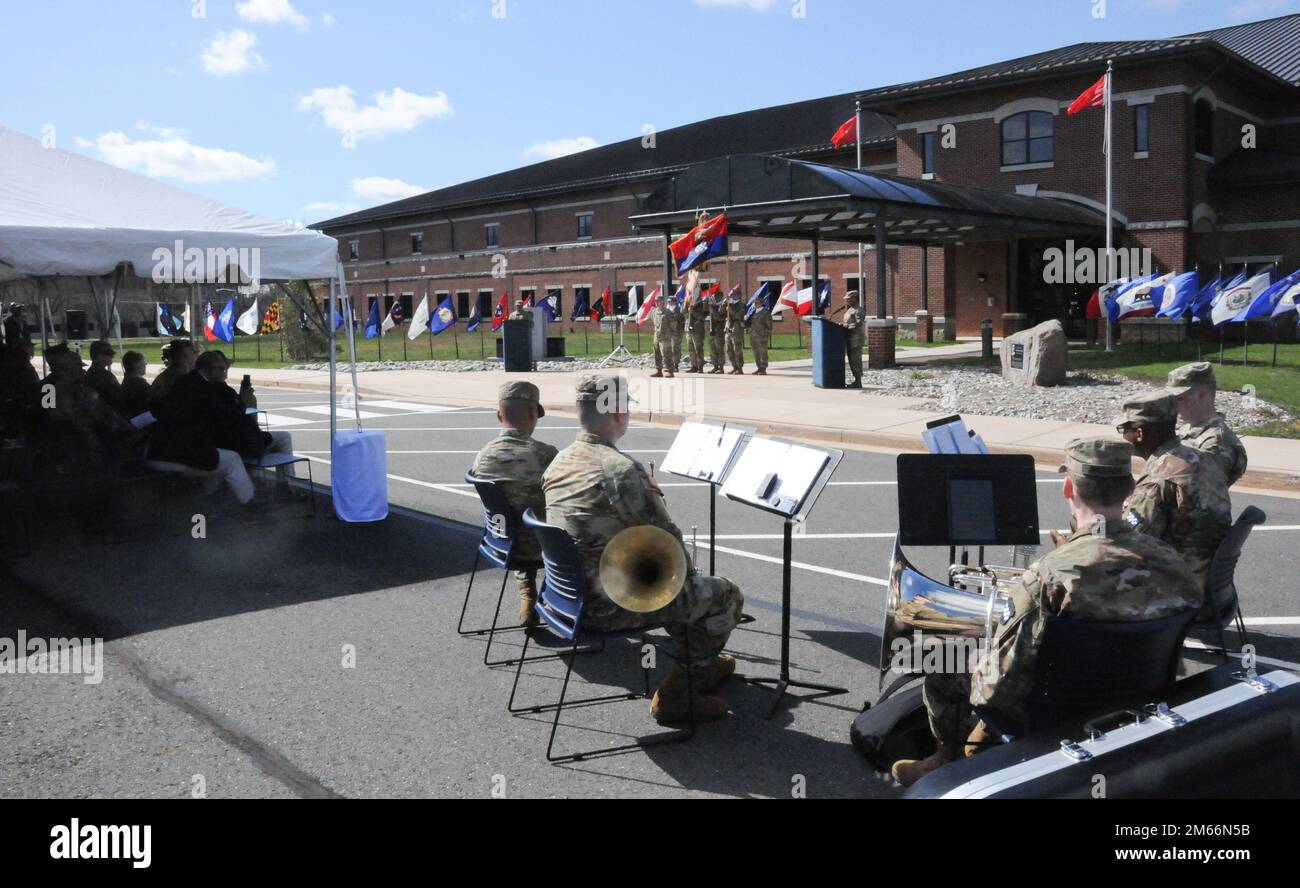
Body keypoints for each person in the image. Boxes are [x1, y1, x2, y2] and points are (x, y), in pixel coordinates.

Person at [891, 438, 1202, 787]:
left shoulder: (1049, 575)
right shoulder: (1177, 567)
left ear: (1068, 487)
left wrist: (983, 656)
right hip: (1139, 705)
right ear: (1130, 487)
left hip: (1056, 716)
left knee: (945, 661)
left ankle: (948, 766)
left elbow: (995, 693)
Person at [542, 374, 745, 724]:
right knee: (725, 595)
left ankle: (701, 663)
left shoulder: (558, 462)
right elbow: (671, 550)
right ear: (618, 412)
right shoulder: (621, 471)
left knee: (679, 591)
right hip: (610, 607)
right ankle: (678, 694)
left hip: (567, 600)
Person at [1117, 391, 1231, 592]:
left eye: (1123, 429)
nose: (1123, 436)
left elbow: (1128, 543)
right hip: (1210, 582)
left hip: (1177, 591)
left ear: (1140, 433)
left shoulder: (1158, 479)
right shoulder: (1202, 458)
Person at [470, 381, 558, 627]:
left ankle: (527, 594)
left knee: (523, 517)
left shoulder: (483, 456)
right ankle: (576, 603)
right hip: (541, 551)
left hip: (499, 544)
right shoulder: (546, 455)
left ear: (499, 415)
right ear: (532, 413)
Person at [146, 350, 261, 508]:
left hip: (160, 449)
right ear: (209, 369)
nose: (225, 373)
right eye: (221, 369)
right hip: (175, 454)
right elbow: (223, 416)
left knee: (217, 458)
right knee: (232, 459)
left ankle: (210, 504)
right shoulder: (202, 388)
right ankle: (252, 507)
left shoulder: (187, 381)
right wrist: (242, 402)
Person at [1166, 361, 1248, 486]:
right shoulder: (1190, 428)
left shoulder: (1216, 443)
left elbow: (1194, 494)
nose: (1174, 405)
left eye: (1179, 399)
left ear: (1201, 395)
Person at [149, 339, 196, 407]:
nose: (197, 355)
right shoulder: (180, 379)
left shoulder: (167, 375)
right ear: (186, 354)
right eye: (194, 352)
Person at [85, 340, 121, 411]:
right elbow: (120, 396)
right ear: (99, 356)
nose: (112, 356)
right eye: (109, 354)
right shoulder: (105, 375)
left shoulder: (90, 372)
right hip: (108, 414)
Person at [842, 290, 866, 388]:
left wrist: (846, 326)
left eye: (848, 299)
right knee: (851, 359)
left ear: (854, 298)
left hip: (856, 339)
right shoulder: (850, 309)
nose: (847, 300)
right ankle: (856, 380)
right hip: (849, 338)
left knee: (855, 359)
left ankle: (858, 381)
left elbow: (859, 323)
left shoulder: (858, 310)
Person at [746, 291, 772, 376]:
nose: (755, 304)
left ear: (761, 303)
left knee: (762, 352)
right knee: (756, 352)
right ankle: (759, 367)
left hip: (762, 336)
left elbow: (769, 325)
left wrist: (766, 335)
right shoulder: (753, 312)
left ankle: (763, 369)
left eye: (757, 303)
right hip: (753, 336)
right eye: (755, 303)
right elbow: (750, 323)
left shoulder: (765, 313)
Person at [119, 351, 151, 420]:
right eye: (143, 363)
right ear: (137, 366)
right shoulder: (141, 386)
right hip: (142, 423)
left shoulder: (127, 382)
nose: (146, 364)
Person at [651, 298, 676, 378]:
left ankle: (670, 371)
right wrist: (657, 331)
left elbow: (673, 324)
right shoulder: (655, 311)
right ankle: (659, 370)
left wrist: (669, 332)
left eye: (658, 301)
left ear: (662, 302)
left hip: (665, 336)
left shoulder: (667, 312)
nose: (656, 303)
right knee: (656, 352)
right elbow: (655, 323)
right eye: (655, 301)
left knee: (666, 353)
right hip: (657, 335)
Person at [724, 285, 745, 374]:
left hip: (737, 330)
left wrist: (730, 310)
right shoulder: (729, 304)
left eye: (734, 295)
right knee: (729, 350)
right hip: (729, 328)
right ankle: (734, 366)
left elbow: (738, 316)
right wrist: (725, 305)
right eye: (732, 295)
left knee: (737, 349)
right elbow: (721, 312)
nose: (732, 296)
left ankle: (739, 368)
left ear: (739, 295)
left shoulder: (742, 305)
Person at [685, 292, 708, 373]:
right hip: (689, 330)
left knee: (698, 349)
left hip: (697, 330)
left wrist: (693, 311)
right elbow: (683, 312)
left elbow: (702, 317)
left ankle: (700, 366)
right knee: (690, 349)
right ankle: (693, 365)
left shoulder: (702, 305)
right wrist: (686, 305)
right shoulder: (688, 303)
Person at [707, 288, 726, 374]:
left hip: (719, 330)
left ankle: (721, 367)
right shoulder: (713, 305)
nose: (715, 298)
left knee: (719, 349)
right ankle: (715, 366)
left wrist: (713, 310)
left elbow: (719, 318)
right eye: (714, 296)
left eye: (717, 296)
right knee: (712, 349)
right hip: (712, 330)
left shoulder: (723, 306)